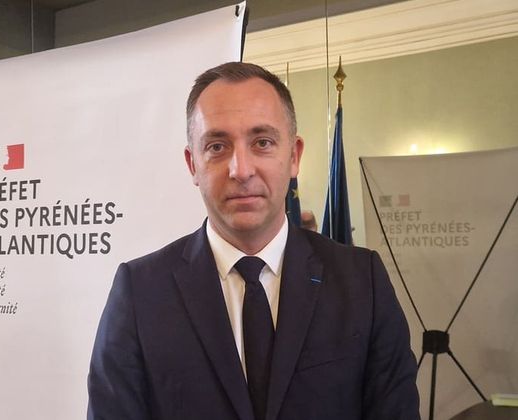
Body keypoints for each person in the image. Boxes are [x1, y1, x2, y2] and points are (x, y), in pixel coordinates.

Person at [87, 62, 419, 420]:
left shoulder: (361, 282)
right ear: (192, 164)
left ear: (293, 156)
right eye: (217, 146)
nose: (241, 170)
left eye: (262, 142)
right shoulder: (140, 292)